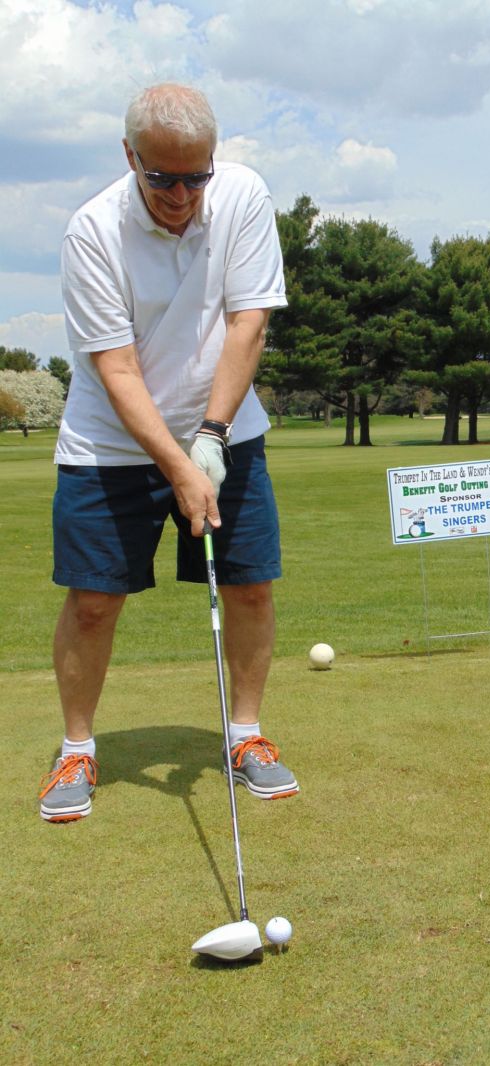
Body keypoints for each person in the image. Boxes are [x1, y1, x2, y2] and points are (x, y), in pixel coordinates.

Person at [39, 83, 298, 822]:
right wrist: (180, 466)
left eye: (196, 175)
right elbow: (114, 370)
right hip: (110, 445)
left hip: (227, 432)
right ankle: (78, 748)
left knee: (248, 586)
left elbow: (248, 323)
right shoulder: (92, 230)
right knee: (93, 602)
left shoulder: (244, 195)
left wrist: (211, 436)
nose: (182, 193)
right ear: (130, 159)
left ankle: (245, 737)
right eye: (163, 177)